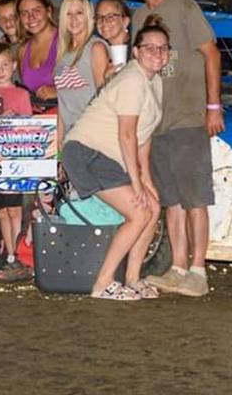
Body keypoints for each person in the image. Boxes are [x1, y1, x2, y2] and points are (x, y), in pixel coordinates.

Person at [125, 0, 223, 298]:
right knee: (172, 201)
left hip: (187, 117)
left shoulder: (184, 8)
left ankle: (199, 270)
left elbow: (211, 52)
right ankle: (179, 266)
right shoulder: (137, 19)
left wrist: (213, 105)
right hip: (156, 125)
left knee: (195, 197)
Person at [62, 17, 170, 301]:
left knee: (153, 207)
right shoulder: (133, 80)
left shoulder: (154, 82)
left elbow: (143, 137)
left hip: (109, 157)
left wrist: (147, 182)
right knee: (138, 212)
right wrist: (136, 185)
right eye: (150, 48)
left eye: (162, 48)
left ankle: (133, 278)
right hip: (87, 151)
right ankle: (103, 283)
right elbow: (126, 136)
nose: (157, 54)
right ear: (136, 51)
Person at [0, 42, 36, 281]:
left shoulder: (21, 94)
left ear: (13, 66)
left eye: (4, 65)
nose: (0, 71)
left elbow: (31, 126)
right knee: (0, 212)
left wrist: (16, 119)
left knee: (14, 210)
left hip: (13, 160)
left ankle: (17, 257)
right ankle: (9, 254)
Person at [54, 0, 110, 133]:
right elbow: (62, 101)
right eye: (68, 13)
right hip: (69, 132)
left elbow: (103, 96)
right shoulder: (62, 53)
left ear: (88, 16)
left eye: (79, 12)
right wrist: (59, 135)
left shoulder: (96, 47)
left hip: (91, 131)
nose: (73, 18)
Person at [16, 0, 59, 110]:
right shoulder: (22, 51)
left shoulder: (67, 42)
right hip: (39, 124)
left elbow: (89, 85)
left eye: (37, 10)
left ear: (48, 11)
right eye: (24, 13)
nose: (31, 17)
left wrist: (59, 92)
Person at [95, 0, 132, 72]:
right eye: (99, 17)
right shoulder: (99, 50)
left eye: (110, 17)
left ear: (125, 21)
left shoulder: (138, 50)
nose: (104, 22)